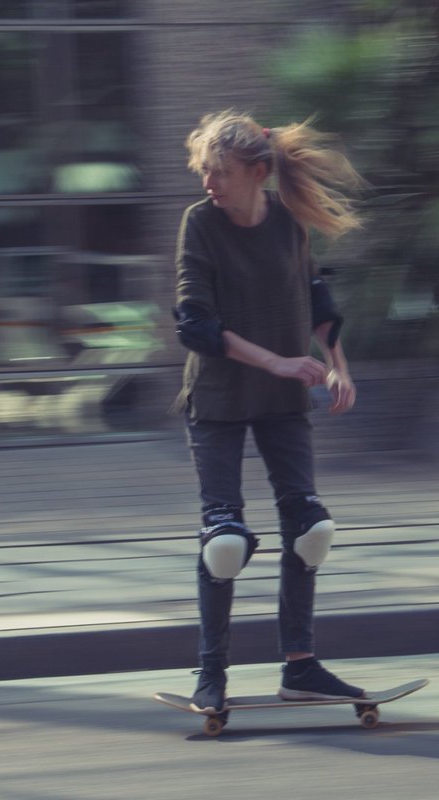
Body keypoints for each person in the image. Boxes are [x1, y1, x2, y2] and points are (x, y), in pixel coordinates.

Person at [171, 109, 366, 714]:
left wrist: (337, 362)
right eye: (205, 171)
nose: (209, 183)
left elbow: (316, 295)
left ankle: (300, 667)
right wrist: (278, 361)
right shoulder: (199, 224)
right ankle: (211, 675)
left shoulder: (288, 222)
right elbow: (194, 323)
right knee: (222, 542)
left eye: (220, 172)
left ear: (257, 172)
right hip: (220, 400)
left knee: (312, 532)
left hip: (282, 403)